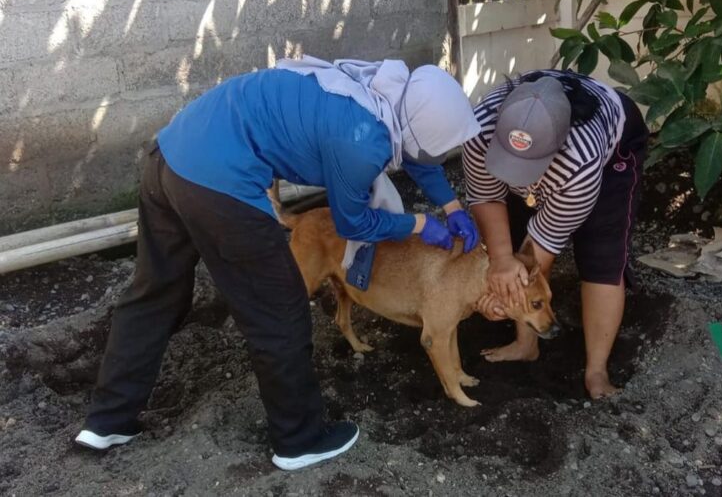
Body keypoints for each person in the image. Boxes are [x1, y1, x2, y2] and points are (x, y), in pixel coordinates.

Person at [74, 55, 481, 470]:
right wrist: (419, 224)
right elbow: (352, 220)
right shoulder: (363, 137)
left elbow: (416, 153)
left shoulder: (375, 94)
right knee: (280, 306)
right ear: (418, 125)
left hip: (168, 159)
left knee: (155, 291)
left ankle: (108, 419)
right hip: (220, 182)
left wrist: (452, 205)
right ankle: (299, 441)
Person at [463, 70, 648, 398]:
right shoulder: (479, 132)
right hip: (538, 159)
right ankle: (526, 345)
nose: (520, 182)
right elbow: (487, 197)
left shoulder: (580, 161)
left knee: (600, 257)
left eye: (527, 170)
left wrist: (507, 293)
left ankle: (596, 372)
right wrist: (501, 261)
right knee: (509, 243)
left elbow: (539, 258)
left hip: (612, 153)